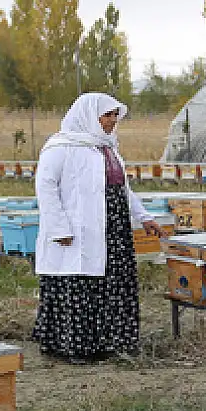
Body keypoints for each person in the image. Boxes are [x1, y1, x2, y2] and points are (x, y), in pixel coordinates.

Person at [31, 93, 165, 365]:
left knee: (113, 285)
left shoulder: (108, 149)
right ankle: (76, 348)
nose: (113, 120)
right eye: (107, 115)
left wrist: (144, 217)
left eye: (116, 115)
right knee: (79, 285)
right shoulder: (60, 147)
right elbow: (45, 188)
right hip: (76, 232)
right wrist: (59, 228)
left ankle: (113, 342)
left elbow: (122, 190)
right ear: (89, 115)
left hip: (113, 231)